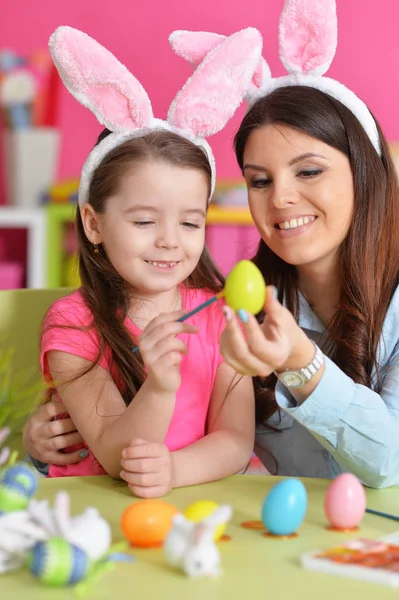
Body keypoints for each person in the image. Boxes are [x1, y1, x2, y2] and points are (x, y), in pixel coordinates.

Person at [21, 26, 263, 497]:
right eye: (145, 221)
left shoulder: (219, 314)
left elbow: (235, 440)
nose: (171, 242)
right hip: (100, 513)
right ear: (94, 224)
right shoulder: (73, 324)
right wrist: (160, 387)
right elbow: (115, 455)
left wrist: (174, 471)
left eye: (190, 223)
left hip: (199, 511)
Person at [218, 0, 399, 489]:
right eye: (259, 181)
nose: (280, 198)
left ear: (367, 173)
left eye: (309, 171)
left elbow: (390, 462)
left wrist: (302, 363)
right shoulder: (240, 309)